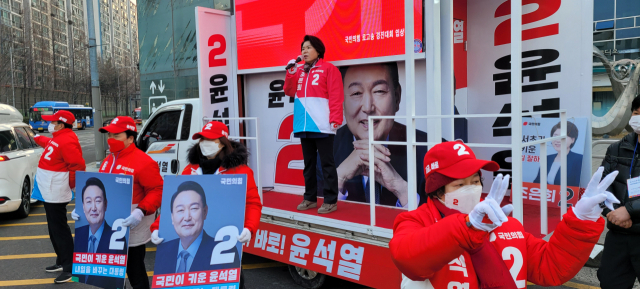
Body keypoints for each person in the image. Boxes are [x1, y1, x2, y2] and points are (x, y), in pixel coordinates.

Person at [390, 141, 619, 289]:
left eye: (475, 181)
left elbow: (550, 266)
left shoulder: (502, 222)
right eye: (460, 184)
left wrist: (581, 220)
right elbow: (409, 258)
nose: (472, 189)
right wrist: (468, 227)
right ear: (437, 191)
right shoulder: (416, 221)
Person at [150, 121, 262, 289]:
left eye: (210, 140)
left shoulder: (241, 171)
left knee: (230, 280)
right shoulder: (190, 170)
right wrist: (158, 227)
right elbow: (173, 204)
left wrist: (249, 227)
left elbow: (253, 203)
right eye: (202, 139)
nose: (205, 144)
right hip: (192, 243)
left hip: (226, 244)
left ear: (223, 143)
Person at [324, 62, 429, 207]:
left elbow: (444, 223)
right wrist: (338, 179)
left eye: (379, 91)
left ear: (397, 97)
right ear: (341, 101)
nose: (368, 107)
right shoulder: (324, 151)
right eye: (356, 93)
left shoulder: (428, 150)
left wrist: (403, 191)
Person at [80, 116, 163, 289]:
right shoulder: (108, 160)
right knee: (111, 272)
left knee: (135, 270)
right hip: (109, 224)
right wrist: (82, 212)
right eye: (109, 135)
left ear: (130, 138)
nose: (111, 140)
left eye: (116, 136)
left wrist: (141, 211)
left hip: (133, 225)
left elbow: (157, 190)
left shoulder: (144, 162)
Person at [284, 35, 344, 214]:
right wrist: (290, 73)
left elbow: (336, 95)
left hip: (323, 125)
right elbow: (289, 91)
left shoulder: (329, 69)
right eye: (303, 48)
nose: (304, 51)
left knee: (326, 164)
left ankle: (330, 200)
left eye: (308, 47)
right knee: (308, 164)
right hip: (304, 125)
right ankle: (309, 198)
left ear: (318, 50)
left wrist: (335, 118)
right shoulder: (299, 70)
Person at [31, 109, 86, 284]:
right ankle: (61, 260)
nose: (50, 124)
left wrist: (70, 185)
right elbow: (49, 143)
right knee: (53, 229)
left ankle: (70, 267)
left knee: (59, 229)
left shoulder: (67, 140)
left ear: (61, 124)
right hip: (49, 189)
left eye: (53, 122)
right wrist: (35, 137)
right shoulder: (59, 137)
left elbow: (77, 165)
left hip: (56, 190)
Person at [598, 96, 640, 289]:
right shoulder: (616, 148)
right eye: (636, 113)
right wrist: (613, 213)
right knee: (610, 283)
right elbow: (600, 187)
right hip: (619, 234)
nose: (638, 118)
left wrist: (629, 211)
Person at [153, 181, 241, 275]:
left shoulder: (224, 251)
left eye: (194, 208)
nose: (187, 217)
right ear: (172, 217)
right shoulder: (164, 251)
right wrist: (155, 228)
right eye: (180, 210)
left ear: (205, 212)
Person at [73, 177, 127, 287]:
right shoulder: (78, 234)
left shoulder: (117, 237)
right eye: (88, 202)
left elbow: (118, 283)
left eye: (98, 201)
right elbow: (77, 275)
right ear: (83, 206)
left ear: (105, 204)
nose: (93, 208)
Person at [533, 121, 583, 187]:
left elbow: (578, 185)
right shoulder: (547, 158)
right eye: (555, 136)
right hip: (546, 195)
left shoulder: (579, 159)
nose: (557, 140)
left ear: (572, 140)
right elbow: (537, 182)